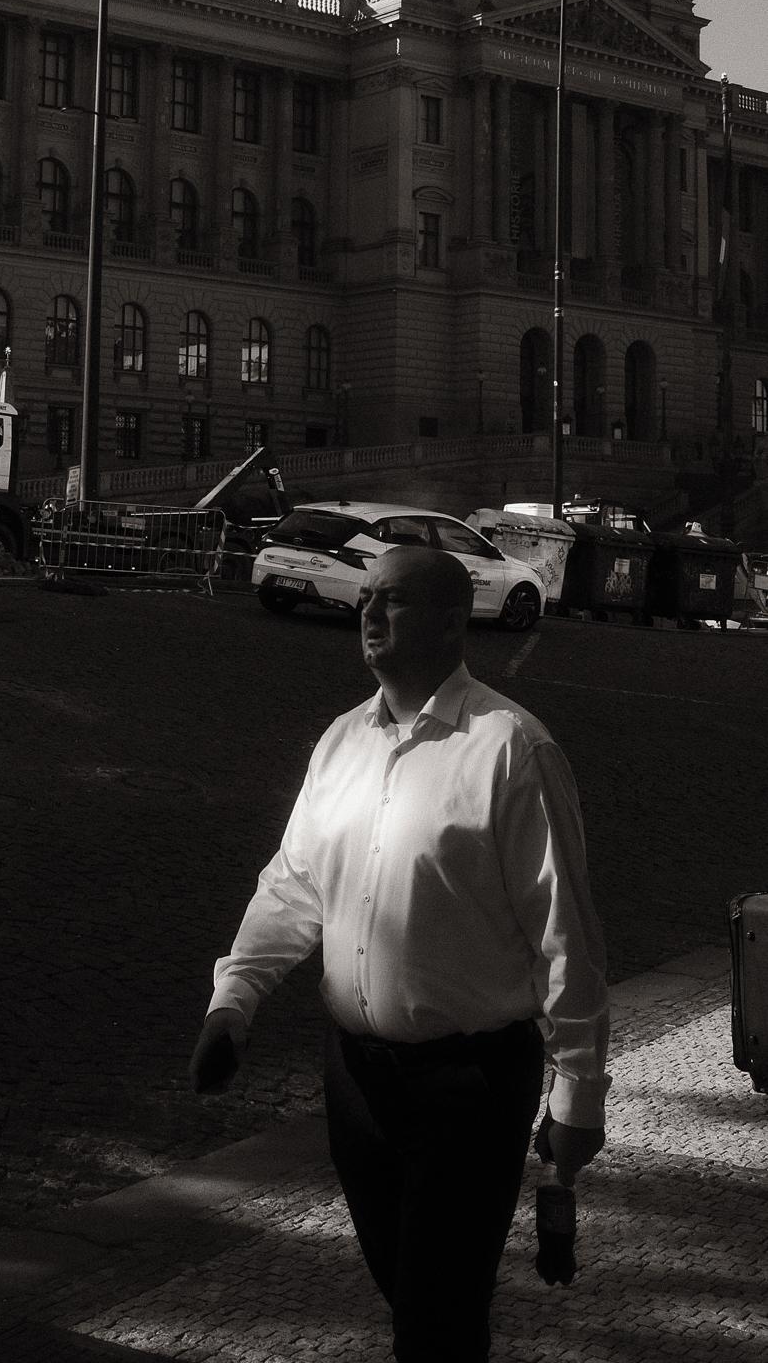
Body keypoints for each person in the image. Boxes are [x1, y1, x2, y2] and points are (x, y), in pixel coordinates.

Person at [190, 545, 609, 1362]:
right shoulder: (342, 741)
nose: (370, 615)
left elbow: (565, 932)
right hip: (355, 1081)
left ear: (455, 620)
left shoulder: (509, 749)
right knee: (405, 1286)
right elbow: (293, 885)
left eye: (396, 601)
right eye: (366, 600)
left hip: (471, 1085)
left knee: (435, 1311)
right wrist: (232, 1002)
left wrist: (577, 1097)